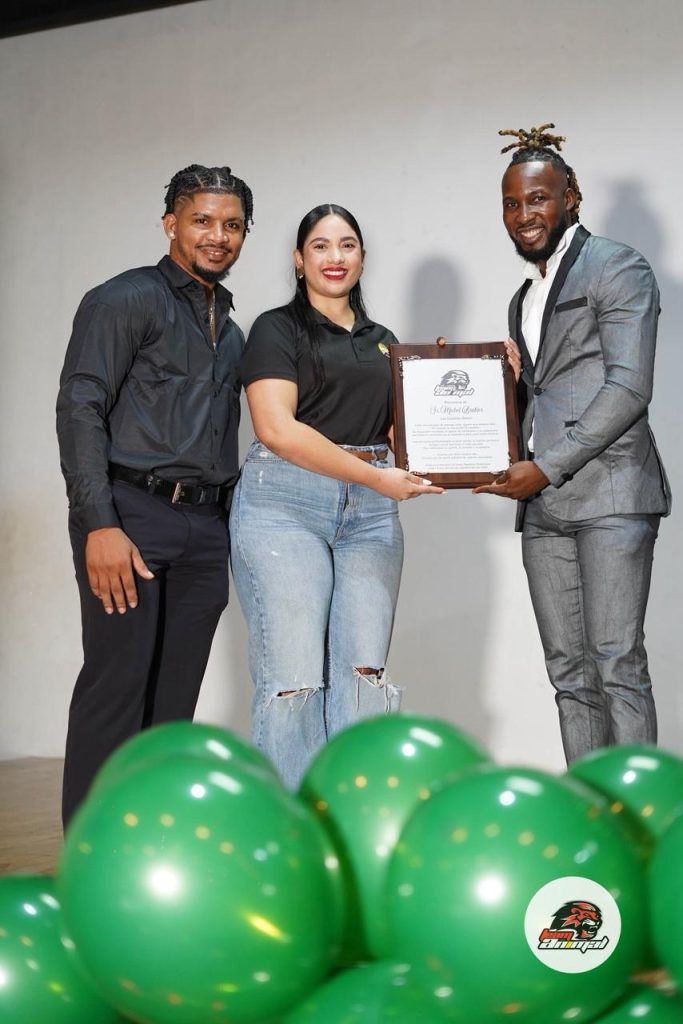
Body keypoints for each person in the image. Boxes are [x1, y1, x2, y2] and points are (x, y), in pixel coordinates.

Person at [56, 164, 254, 825]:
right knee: (116, 691)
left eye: (232, 225)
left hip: (205, 528)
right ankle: (89, 854)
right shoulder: (124, 300)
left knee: (172, 709)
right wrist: (98, 523)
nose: (217, 236)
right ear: (171, 223)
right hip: (131, 516)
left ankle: (150, 846)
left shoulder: (231, 331)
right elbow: (80, 407)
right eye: (202, 220)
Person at [229, 203, 444, 788]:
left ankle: (353, 815)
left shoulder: (384, 342)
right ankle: (294, 823)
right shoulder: (276, 329)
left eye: (347, 245)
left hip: (369, 516)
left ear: (362, 259)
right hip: (284, 507)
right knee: (294, 679)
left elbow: (403, 437)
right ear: (299, 260)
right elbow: (276, 429)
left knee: (362, 677)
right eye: (320, 246)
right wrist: (373, 476)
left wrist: (468, 381)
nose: (334, 257)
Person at [474, 124, 671, 763]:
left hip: (611, 493)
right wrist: (486, 383)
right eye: (511, 203)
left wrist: (546, 466)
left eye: (537, 198)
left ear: (570, 197)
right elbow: (545, 395)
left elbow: (628, 386)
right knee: (569, 674)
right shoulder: (523, 296)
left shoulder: (617, 265)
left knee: (616, 664)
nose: (523, 214)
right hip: (546, 507)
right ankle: (588, 806)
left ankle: (639, 809)